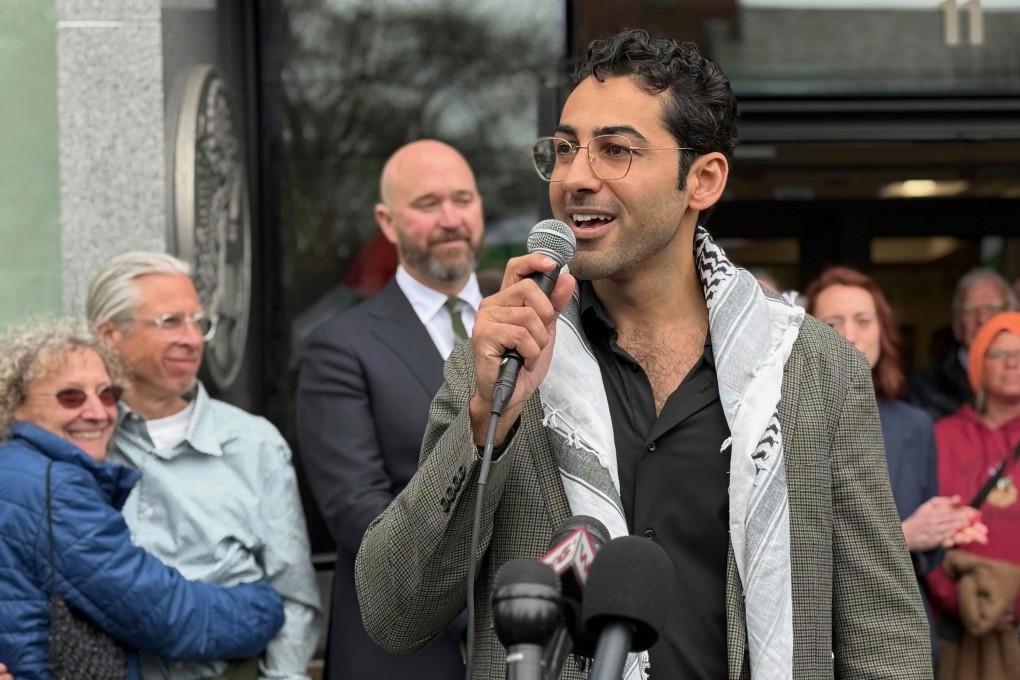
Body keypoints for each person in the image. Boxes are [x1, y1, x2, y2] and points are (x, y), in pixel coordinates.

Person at [355, 29, 930, 679]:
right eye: (565, 149)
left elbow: (884, 637)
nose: (576, 177)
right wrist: (488, 419)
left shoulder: (814, 370)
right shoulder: (502, 360)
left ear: (703, 180)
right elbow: (395, 613)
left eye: (615, 150)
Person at [0, 318, 284, 680]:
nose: (97, 411)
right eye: (70, 396)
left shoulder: (14, 471)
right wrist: (265, 605)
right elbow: (166, 615)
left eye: (108, 395)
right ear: (15, 403)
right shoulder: (52, 487)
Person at [296, 139, 483, 679]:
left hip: (536, 641)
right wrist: (478, 616)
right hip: (405, 651)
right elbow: (360, 514)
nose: (451, 219)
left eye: (463, 199)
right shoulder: (340, 348)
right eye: (428, 204)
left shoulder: (537, 320)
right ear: (387, 220)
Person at [85, 253, 321, 680]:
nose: (193, 338)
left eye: (199, 322)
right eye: (170, 322)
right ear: (109, 335)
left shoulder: (253, 443)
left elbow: (294, 595)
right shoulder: (81, 443)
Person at [805, 265, 988, 663]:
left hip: (899, 633)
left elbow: (929, 550)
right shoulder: (785, 424)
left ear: (882, 332)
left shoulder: (915, 424)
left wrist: (943, 526)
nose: (849, 335)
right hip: (818, 638)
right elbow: (794, 548)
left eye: (863, 321)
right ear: (805, 334)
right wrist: (904, 535)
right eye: (832, 322)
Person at [927, 312, 1020, 679]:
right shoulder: (942, 436)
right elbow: (921, 528)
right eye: (998, 354)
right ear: (979, 363)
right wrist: (955, 600)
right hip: (954, 625)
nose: (1012, 362)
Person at [907, 268, 1017, 421]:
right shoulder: (924, 387)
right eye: (970, 310)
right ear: (957, 324)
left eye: (994, 307)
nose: (983, 319)